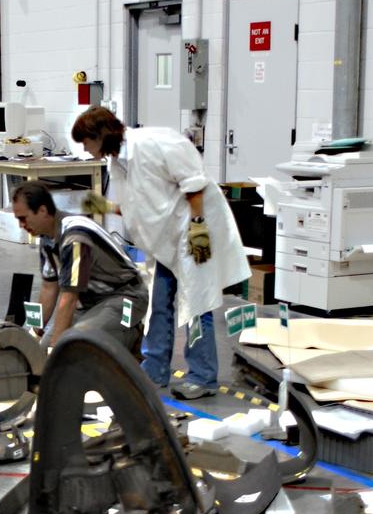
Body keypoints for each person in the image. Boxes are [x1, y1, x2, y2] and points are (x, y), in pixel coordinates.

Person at [71, 108, 250, 399]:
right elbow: (142, 204)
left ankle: (203, 378)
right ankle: (154, 370)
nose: (85, 149)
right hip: (167, 239)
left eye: (85, 142)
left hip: (196, 228)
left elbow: (194, 183)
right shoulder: (118, 162)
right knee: (159, 301)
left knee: (196, 303)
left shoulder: (154, 143)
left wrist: (198, 226)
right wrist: (106, 207)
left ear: (99, 136)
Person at [11, 180, 148, 351]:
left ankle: (131, 335)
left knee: (77, 344)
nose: (21, 225)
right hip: (89, 303)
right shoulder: (47, 238)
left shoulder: (75, 237)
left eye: (23, 218)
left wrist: (55, 349)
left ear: (42, 211)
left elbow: (69, 297)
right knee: (42, 349)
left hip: (127, 298)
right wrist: (33, 334)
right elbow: (48, 288)